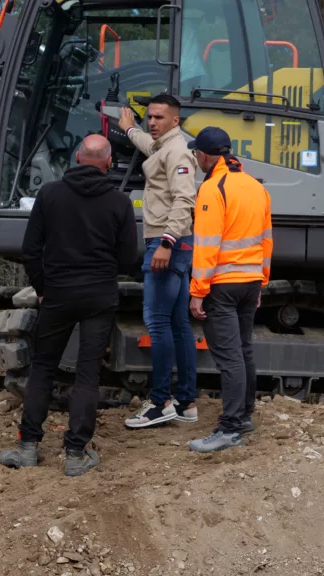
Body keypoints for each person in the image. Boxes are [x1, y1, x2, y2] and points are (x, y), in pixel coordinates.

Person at [0, 134, 138, 477]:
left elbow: (30, 250)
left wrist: (44, 288)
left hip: (58, 294)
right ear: (107, 163)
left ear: (77, 157)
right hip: (99, 297)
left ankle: (28, 446)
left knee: (43, 366)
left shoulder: (50, 195)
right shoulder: (120, 203)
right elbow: (128, 257)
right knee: (88, 372)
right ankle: (76, 453)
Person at [185, 127, 273, 454]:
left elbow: (206, 246)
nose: (195, 159)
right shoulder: (256, 187)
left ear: (206, 156)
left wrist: (197, 291)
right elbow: (266, 240)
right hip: (249, 282)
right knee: (244, 350)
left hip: (222, 285)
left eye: (196, 154)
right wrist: (261, 281)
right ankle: (245, 416)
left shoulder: (211, 189)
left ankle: (230, 428)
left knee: (229, 357)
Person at [118, 94, 199, 429]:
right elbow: (151, 148)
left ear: (175, 120)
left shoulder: (178, 150)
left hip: (167, 243)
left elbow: (185, 197)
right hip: (174, 243)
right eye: (149, 117)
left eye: (159, 118)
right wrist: (129, 130)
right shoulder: (164, 145)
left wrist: (165, 242)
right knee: (179, 325)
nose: (152, 122)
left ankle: (160, 401)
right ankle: (186, 403)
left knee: (157, 322)